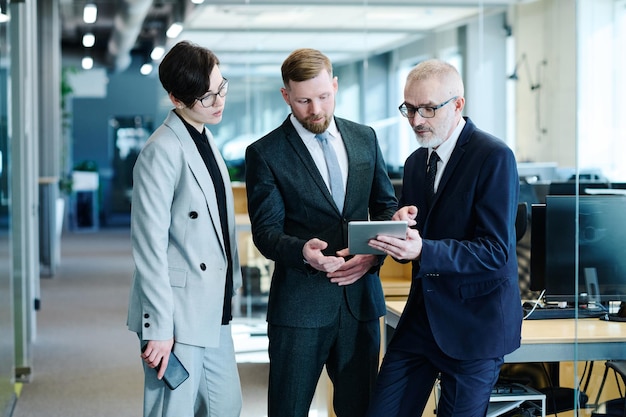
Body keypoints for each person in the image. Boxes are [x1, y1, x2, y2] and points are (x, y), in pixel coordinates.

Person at [244, 48, 398, 417]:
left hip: (360, 302)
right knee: (288, 409)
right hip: (299, 305)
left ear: (335, 85)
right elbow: (266, 232)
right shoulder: (265, 153)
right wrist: (302, 252)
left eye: (324, 97)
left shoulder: (365, 138)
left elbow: (385, 205)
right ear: (286, 96)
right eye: (304, 101)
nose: (316, 110)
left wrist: (372, 254)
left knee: (360, 409)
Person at [365, 59, 522, 417]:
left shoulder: (494, 157)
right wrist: (398, 231)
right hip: (423, 318)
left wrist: (423, 248)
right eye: (409, 109)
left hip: (474, 325)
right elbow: (414, 246)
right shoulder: (415, 163)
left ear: (458, 105)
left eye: (428, 109)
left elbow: (496, 250)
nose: (416, 120)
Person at [127, 40, 242, 417]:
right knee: (172, 410)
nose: (218, 101)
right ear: (177, 99)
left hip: (213, 307)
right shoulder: (161, 150)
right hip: (177, 314)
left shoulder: (206, 138)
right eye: (207, 97)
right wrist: (159, 327)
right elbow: (149, 247)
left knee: (226, 407)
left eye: (221, 87)